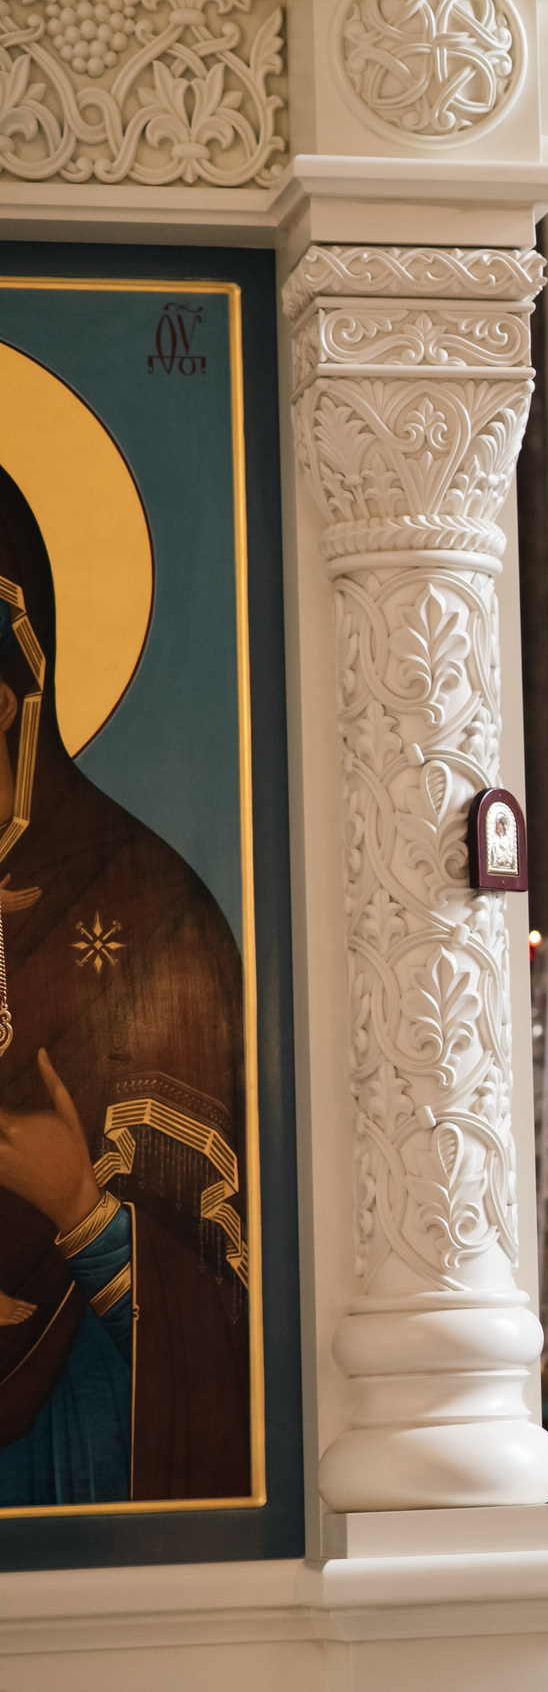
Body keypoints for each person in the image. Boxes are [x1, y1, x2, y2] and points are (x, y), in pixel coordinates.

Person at [0, 463, 252, 1505]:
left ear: (16, 681)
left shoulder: (152, 912)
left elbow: (236, 1316)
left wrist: (77, 1205)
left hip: (72, 1458)